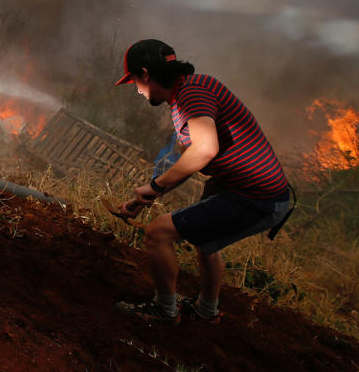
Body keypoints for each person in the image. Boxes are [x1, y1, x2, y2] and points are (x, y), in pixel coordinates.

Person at [112, 39, 292, 324]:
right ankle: (206, 313)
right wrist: (145, 198)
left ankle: (164, 310)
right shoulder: (192, 88)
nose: (135, 89)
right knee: (206, 244)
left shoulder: (191, 95)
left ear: (145, 74)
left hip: (256, 196)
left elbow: (205, 150)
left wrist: (155, 186)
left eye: (134, 80)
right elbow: (194, 159)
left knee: (157, 233)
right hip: (250, 188)